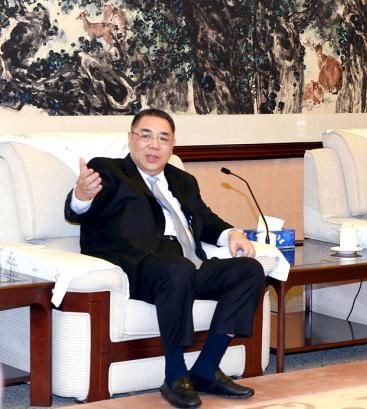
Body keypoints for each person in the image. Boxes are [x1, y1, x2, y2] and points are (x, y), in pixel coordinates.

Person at [65, 108, 265, 408]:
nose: (154, 145)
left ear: (172, 146)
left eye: (163, 138)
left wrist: (232, 234)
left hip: (186, 267)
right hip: (136, 268)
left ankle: (207, 368)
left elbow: (206, 219)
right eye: (146, 136)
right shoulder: (109, 171)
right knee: (177, 268)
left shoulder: (183, 180)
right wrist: (82, 195)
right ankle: (175, 374)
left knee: (249, 270)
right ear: (131, 139)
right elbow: (78, 209)